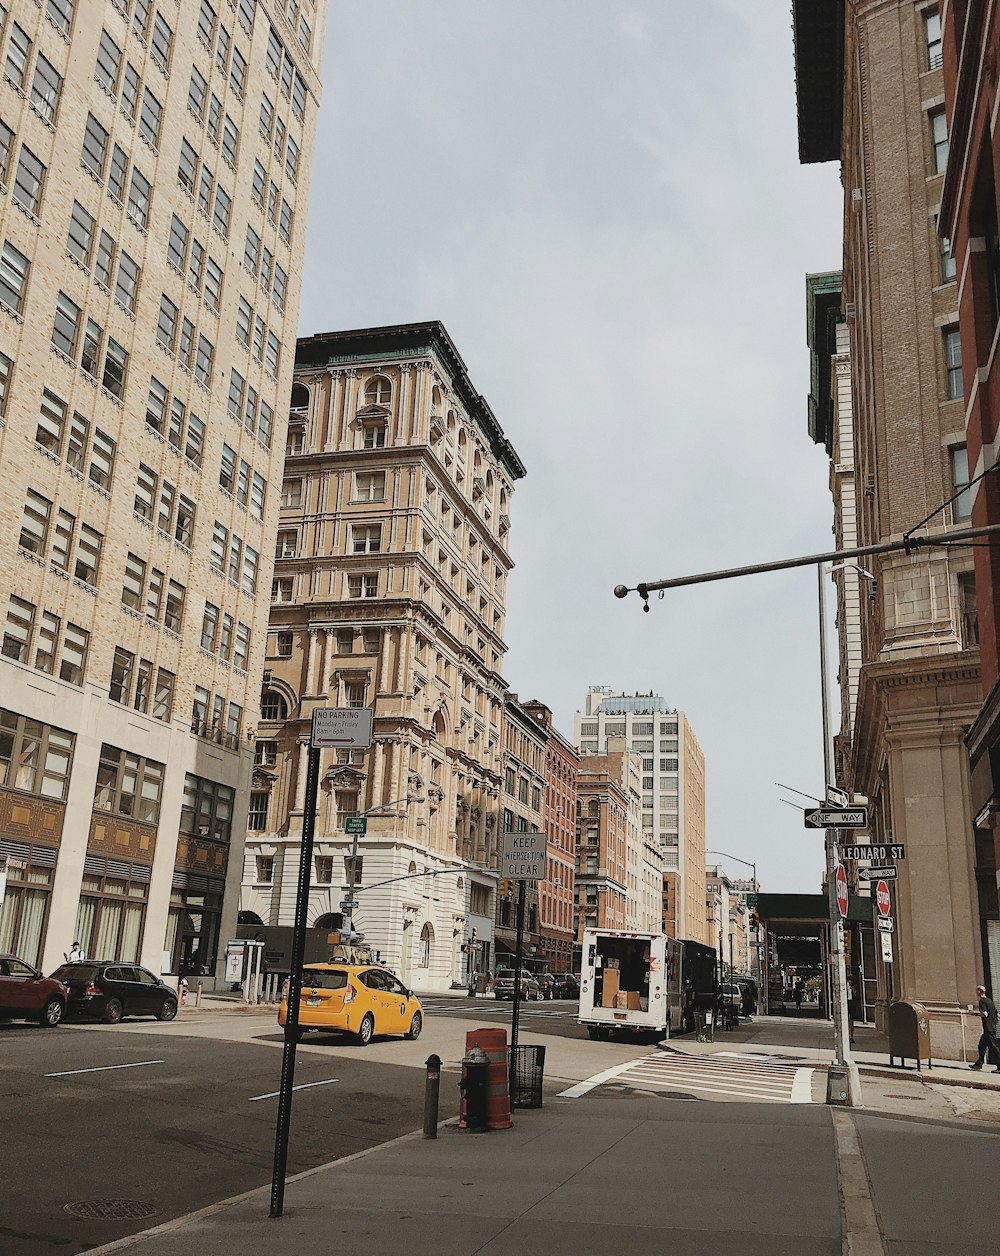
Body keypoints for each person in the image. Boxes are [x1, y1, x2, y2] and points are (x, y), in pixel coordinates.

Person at [968, 984, 1000, 1071]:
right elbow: (998, 1016)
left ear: (981, 992)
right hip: (990, 1028)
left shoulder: (982, 1001)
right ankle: (978, 1064)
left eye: (977, 991)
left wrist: (973, 1013)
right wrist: (993, 1023)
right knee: (981, 1046)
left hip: (988, 1029)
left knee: (994, 1048)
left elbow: (985, 1014)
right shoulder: (990, 1002)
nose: (976, 993)